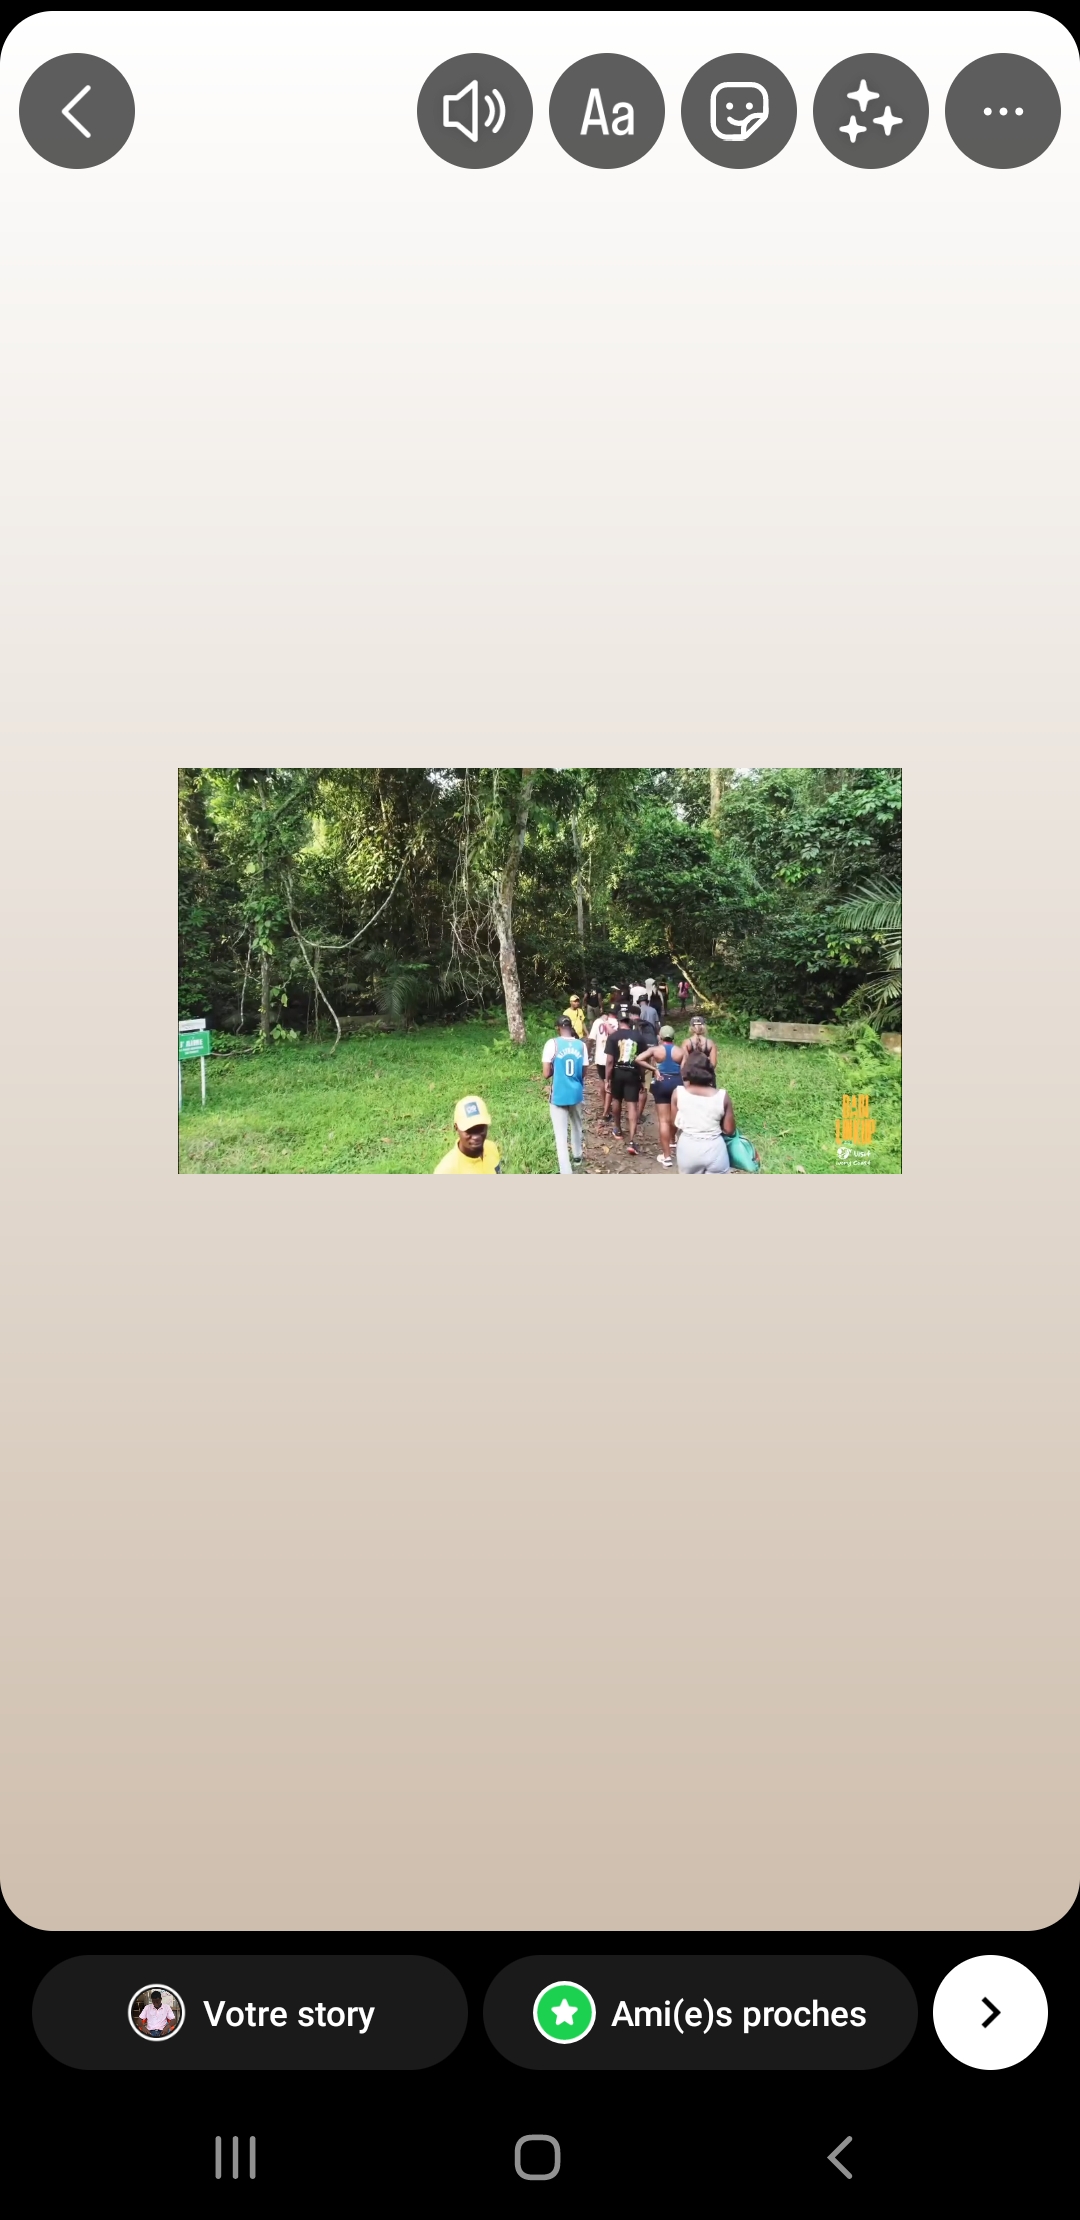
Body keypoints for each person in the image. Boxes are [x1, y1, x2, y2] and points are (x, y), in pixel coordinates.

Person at [673, 1054, 736, 1173]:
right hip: (715, 1149)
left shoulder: (678, 1093)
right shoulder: (722, 1096)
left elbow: (675, 1123)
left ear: (686, 1071)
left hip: (688, 1149)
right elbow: (729, 1130)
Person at [542, 1014, 587, 1173]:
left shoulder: (552, 1044)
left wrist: (555, 1069)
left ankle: (566, 1171)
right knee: (576, 1125)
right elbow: (584, 1072)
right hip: (576, 1094)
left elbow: (546, 1073)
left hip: (559, 1095)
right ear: (570, 1027)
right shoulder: (581, 1045)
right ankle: (577, 1156)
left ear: (558, 1028)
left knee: (561, 1135)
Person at [605, 1002, 648, 1154]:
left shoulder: (613, 1037)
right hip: (632, 1073)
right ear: (629, 1021)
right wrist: (642, 1079)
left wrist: (607, 1079)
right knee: (632, 1106)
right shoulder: (638, 1037)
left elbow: (609, 1061)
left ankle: (617, 1129)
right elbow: (642, 1061)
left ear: (618, 1021)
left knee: (616, 1100)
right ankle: (632, 1140)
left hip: (617, 1073)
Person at [636, 1024, 682, 1167]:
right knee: (675, 1118)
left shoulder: (655, 1050)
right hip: (677, 1084)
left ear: (660, 1037)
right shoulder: (680, 1051)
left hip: (661, 1082)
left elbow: (638, 1059)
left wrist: (654, 1069)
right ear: (673, 1037)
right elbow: (686, 1069)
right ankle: (673, 1140)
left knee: (663, 1121)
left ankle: (666, 1157)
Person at [433, 1095, 503, 1174]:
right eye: (469, 1130)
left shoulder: (491, 1147)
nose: (476, 1137)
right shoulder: (446, 1171)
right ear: (456, 1127)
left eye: (480, 1128)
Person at [589, 1005, 618, 1122]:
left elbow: (591, 1039)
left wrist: (588, 1053)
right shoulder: (618, 1023)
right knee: (609, 1083)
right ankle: (606, 1110)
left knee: (602, 1081)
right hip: (612, 1058)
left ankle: (605, 1106)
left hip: (600, 1057)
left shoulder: (598, 1021)